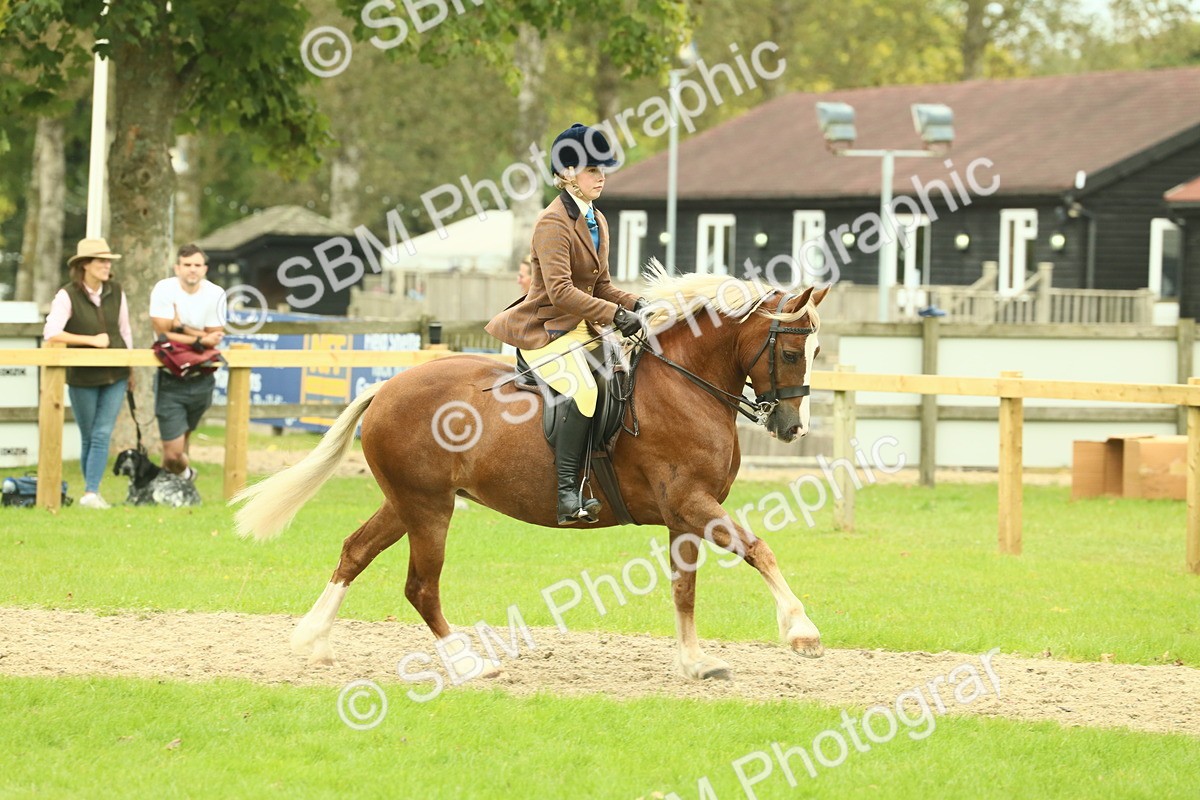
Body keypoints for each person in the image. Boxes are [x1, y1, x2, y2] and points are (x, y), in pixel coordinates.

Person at [486, 123, 647, 526]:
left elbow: (603, 285)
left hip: (584, 330)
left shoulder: (597, 219)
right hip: (547, 332)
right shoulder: (552, 223)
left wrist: (640, 304)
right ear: (569, 173)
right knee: (587, 390)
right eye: (594, 169)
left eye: (603, 168)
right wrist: (614, 316)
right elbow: (559, 292)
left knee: (628, 379)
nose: (602, 175)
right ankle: (565, 494)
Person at [42, 238, 133, 509]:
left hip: (116, 373)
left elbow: (125, 331)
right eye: (101, 261)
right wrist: (91, 340)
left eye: (108, 261)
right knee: (89, 435)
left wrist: (131, 368)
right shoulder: (66, 295)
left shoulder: (117, 291)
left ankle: (92, 492)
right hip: (82, 376)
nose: (107, 265)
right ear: (85, 265)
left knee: (102, 433)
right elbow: (52, 333)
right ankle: (90, 494)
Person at [149, 244, 225, 479]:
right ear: (177, 267)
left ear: (205, 269)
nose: (192, 270)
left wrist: (180, 327)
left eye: (197, 265)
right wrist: (200, 338)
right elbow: (162, 334)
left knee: (180, 443)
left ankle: (165, 488)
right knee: (173, 453)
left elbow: (216, 337)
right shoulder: (164, 288)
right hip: (171, 375)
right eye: (187, 265)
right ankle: (187, 475)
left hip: (201, 376)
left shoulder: (216, 293)